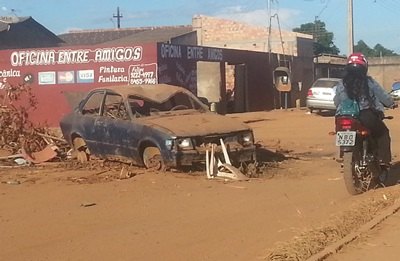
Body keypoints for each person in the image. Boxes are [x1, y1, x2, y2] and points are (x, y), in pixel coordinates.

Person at [334, 52, 396, 166]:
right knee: (383, 133)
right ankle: (383, 160)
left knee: (343, 130)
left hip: (343, 117)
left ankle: (342, 152)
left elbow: (336, 102)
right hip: (365, 115)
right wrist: (391, 103)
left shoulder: (341, 83)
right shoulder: (369, 82)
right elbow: (383, 96)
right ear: (364, 67)